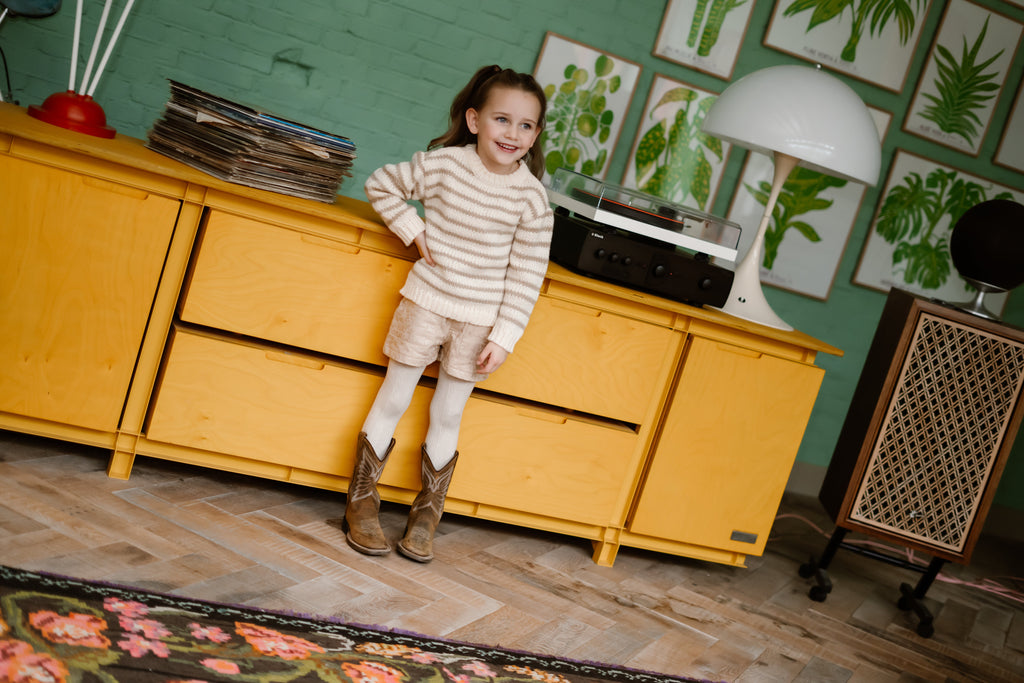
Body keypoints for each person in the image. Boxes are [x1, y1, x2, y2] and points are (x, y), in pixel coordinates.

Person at [344, 65, 554, 563]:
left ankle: (426, 516)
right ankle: (361, 501)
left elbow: (527, 275)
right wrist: (413, 231)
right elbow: (381, 184)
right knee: (394, 397)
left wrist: (504, 335)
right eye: (502, 120)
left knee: (449, 412)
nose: (513, 133)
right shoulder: (443, 165)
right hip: (426, 302)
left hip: (479, 321)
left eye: (526, 125)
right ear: (475, 120)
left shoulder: (532, 198)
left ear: (535, 135)